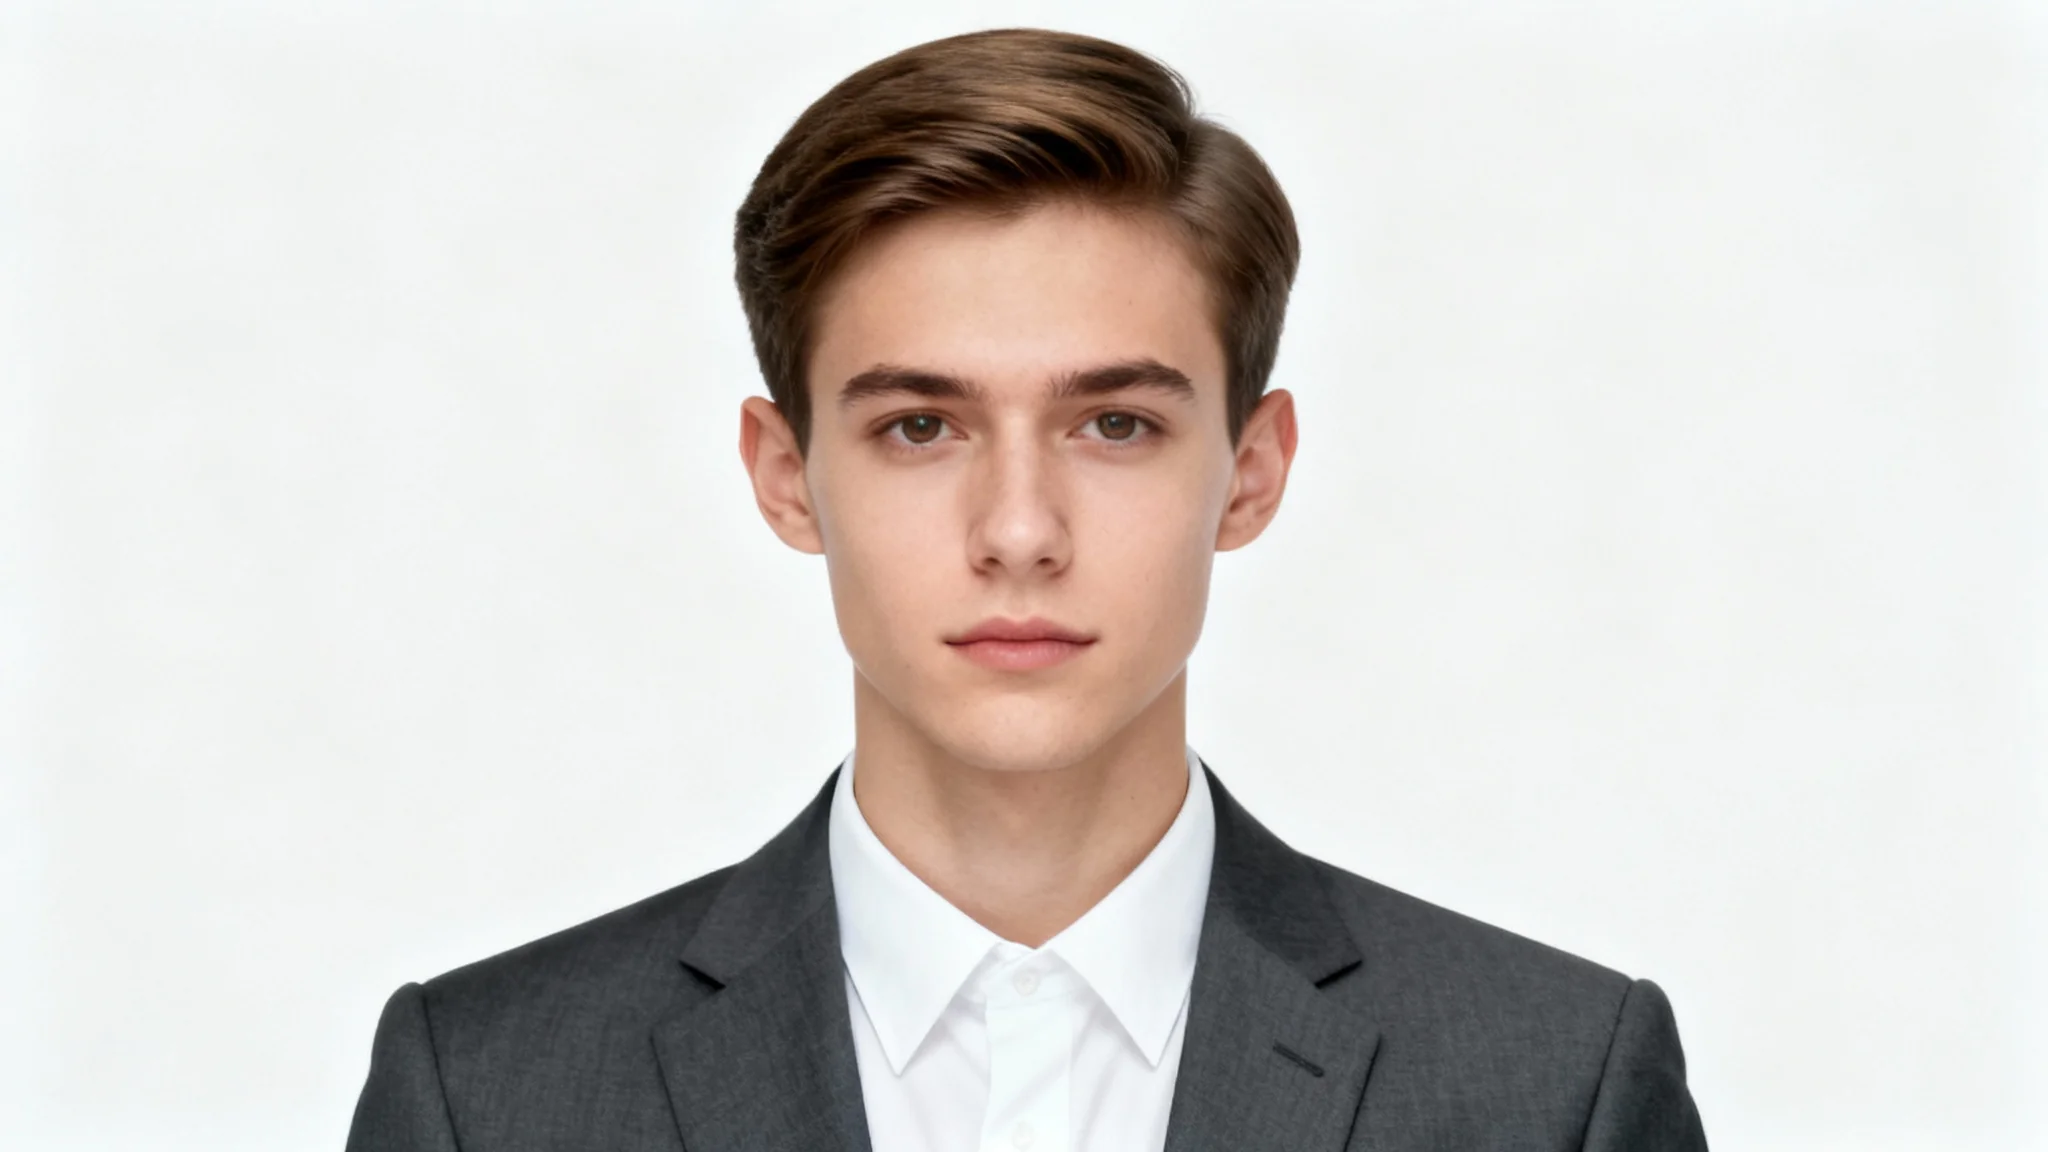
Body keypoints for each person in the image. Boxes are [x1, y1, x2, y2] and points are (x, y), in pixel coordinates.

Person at [345, 27, 1708, 1152]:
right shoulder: (486, 1095)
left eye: (1115, 425)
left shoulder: (1554, 1091)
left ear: (1250, 472)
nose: (1018, 531)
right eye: (919, 427)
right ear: (786, 475)